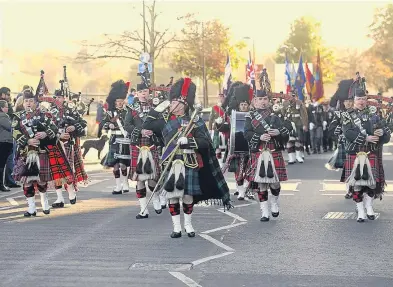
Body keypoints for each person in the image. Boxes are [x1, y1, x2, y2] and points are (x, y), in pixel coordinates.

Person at [143, 77, 231, 238]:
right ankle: (176, 227)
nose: (171, 105)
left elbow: (205, 142)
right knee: (172, 195)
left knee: (188, 195)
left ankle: (188, 225)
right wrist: (157, 108)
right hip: (170, 161)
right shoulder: (164, 121)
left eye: (174, 102)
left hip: (189, 161)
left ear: (183, 104)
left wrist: (189, 141)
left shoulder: (194, 120)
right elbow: (147, 125)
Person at [12, 89, 74, 217]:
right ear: (23, 103)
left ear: (35, 103)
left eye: (31, 101)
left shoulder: (44, 116)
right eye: (26, 101)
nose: (28, 103)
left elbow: (54, 129)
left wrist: (46, 133)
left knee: (41, 180)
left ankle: (45, 204)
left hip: (41, 151)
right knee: (27, 182)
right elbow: (15, 132)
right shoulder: (18, 117)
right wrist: (28, 140)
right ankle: (31, 208)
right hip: (26, 153)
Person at [341, 77, 391, 222]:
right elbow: (347, 132)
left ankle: (369, 206)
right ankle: (360, 210)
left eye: (363, 98)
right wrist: (365, 138)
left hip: (371, 152)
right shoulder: (347, 115)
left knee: (371, 183)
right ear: (354, 100)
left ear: (366, 99)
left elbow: (386, 134)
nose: (361, 101)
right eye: (358, 99)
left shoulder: (375, 115)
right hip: (355, 152)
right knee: (356, 183)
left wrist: (382, 134)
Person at [244, 86, 290, 222]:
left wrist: (279, 132)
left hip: (273, 151)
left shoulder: (276, 115)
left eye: (265, 99)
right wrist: (259, 137)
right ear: (255, 101)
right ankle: (264, 212)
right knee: (262, 184)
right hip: (259, 152)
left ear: (268, 100)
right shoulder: (250, 116)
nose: (263, 101)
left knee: (275, 183)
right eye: (260, 99)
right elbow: (246, 133)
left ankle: (274, 202)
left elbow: (287, 130)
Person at [124, 82, 164, 218]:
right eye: (141, 92)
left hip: (152, 143)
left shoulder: (156, 106)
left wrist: (153, 130)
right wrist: (141, 131)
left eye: (146, 91)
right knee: (139, 178)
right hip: (138, 144)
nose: (143, 94)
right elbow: (127, 125)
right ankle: (143, 209)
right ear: (137, 93)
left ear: (149, 93)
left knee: (153, 177)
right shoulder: (131, 107)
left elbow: (162, 122)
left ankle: (156, 197)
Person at [49, 89, 88, 208]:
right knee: (55, 172)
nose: (60, 99)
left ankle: (71, 192)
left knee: (68, 170)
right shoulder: (49, 112)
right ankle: (59, 198)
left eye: (62, 97)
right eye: (58, 97)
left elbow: (83, 124)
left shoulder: (72, 110)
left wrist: (73, 127)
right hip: (54, 143)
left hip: (68, 144)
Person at [221, 83, 251, 200]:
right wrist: (220, 124)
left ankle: (245, 188)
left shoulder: (253, 116)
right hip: (235, 146)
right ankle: (240, 191)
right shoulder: (232, 117)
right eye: (242, 104)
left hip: (250, 148)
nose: (244, 106)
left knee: (249, 170)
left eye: (245, 104)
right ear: (238, 106)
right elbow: (226, 128)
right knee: (237, 170)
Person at [101, 80, 130, 194]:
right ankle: (118, 186)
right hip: (113, 140)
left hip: (125, 140)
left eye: (121, 101)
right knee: (115, 165)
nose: (120, 103)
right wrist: (109, 125)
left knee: (123, 164)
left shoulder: (128, 112)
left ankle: (125, 183)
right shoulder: (110, 113)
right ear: (114, 102)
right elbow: (104, 124)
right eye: (118, 101)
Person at [327, 79, 355, 199]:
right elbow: (331, 128)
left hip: (358, 143)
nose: (348, 103)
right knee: (348, 167)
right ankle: (349, 189)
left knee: (358, 167)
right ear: (343, 102)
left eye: (350, 101)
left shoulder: (359, 113)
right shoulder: (339, 114)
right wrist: (336, 131)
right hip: (345, 143)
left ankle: (358, 188)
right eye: (346, 101)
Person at [282, 90, 308, 164]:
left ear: (295, 96)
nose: (290, 97)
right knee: (289, 141)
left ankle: (298, 156)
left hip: (298, 123)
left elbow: (304, 114)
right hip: (289, 124)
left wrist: (305, 124)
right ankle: (291, 158)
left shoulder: (299, 103)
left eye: (291, 95)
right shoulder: (285, 103)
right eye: (289, 95)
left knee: (298, 141)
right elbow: (283, 112)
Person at [208, 93, 230, 167]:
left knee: (225, 145)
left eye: (222, 97)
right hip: (216, 129)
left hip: (225, 129)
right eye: (219, 97)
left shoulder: (227, 107)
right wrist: (210, 129)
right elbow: (211, 119)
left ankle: (225, 161)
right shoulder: (214, 108)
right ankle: (219, 162)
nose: (221, 98)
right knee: (217, 146)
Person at [0, 100, 13, 192]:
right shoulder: (3, 116)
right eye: (6, 106)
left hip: (3, 141)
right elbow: (10, 127)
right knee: (2, 165)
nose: (7, 108)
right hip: (4, 142)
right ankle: (1, 184)